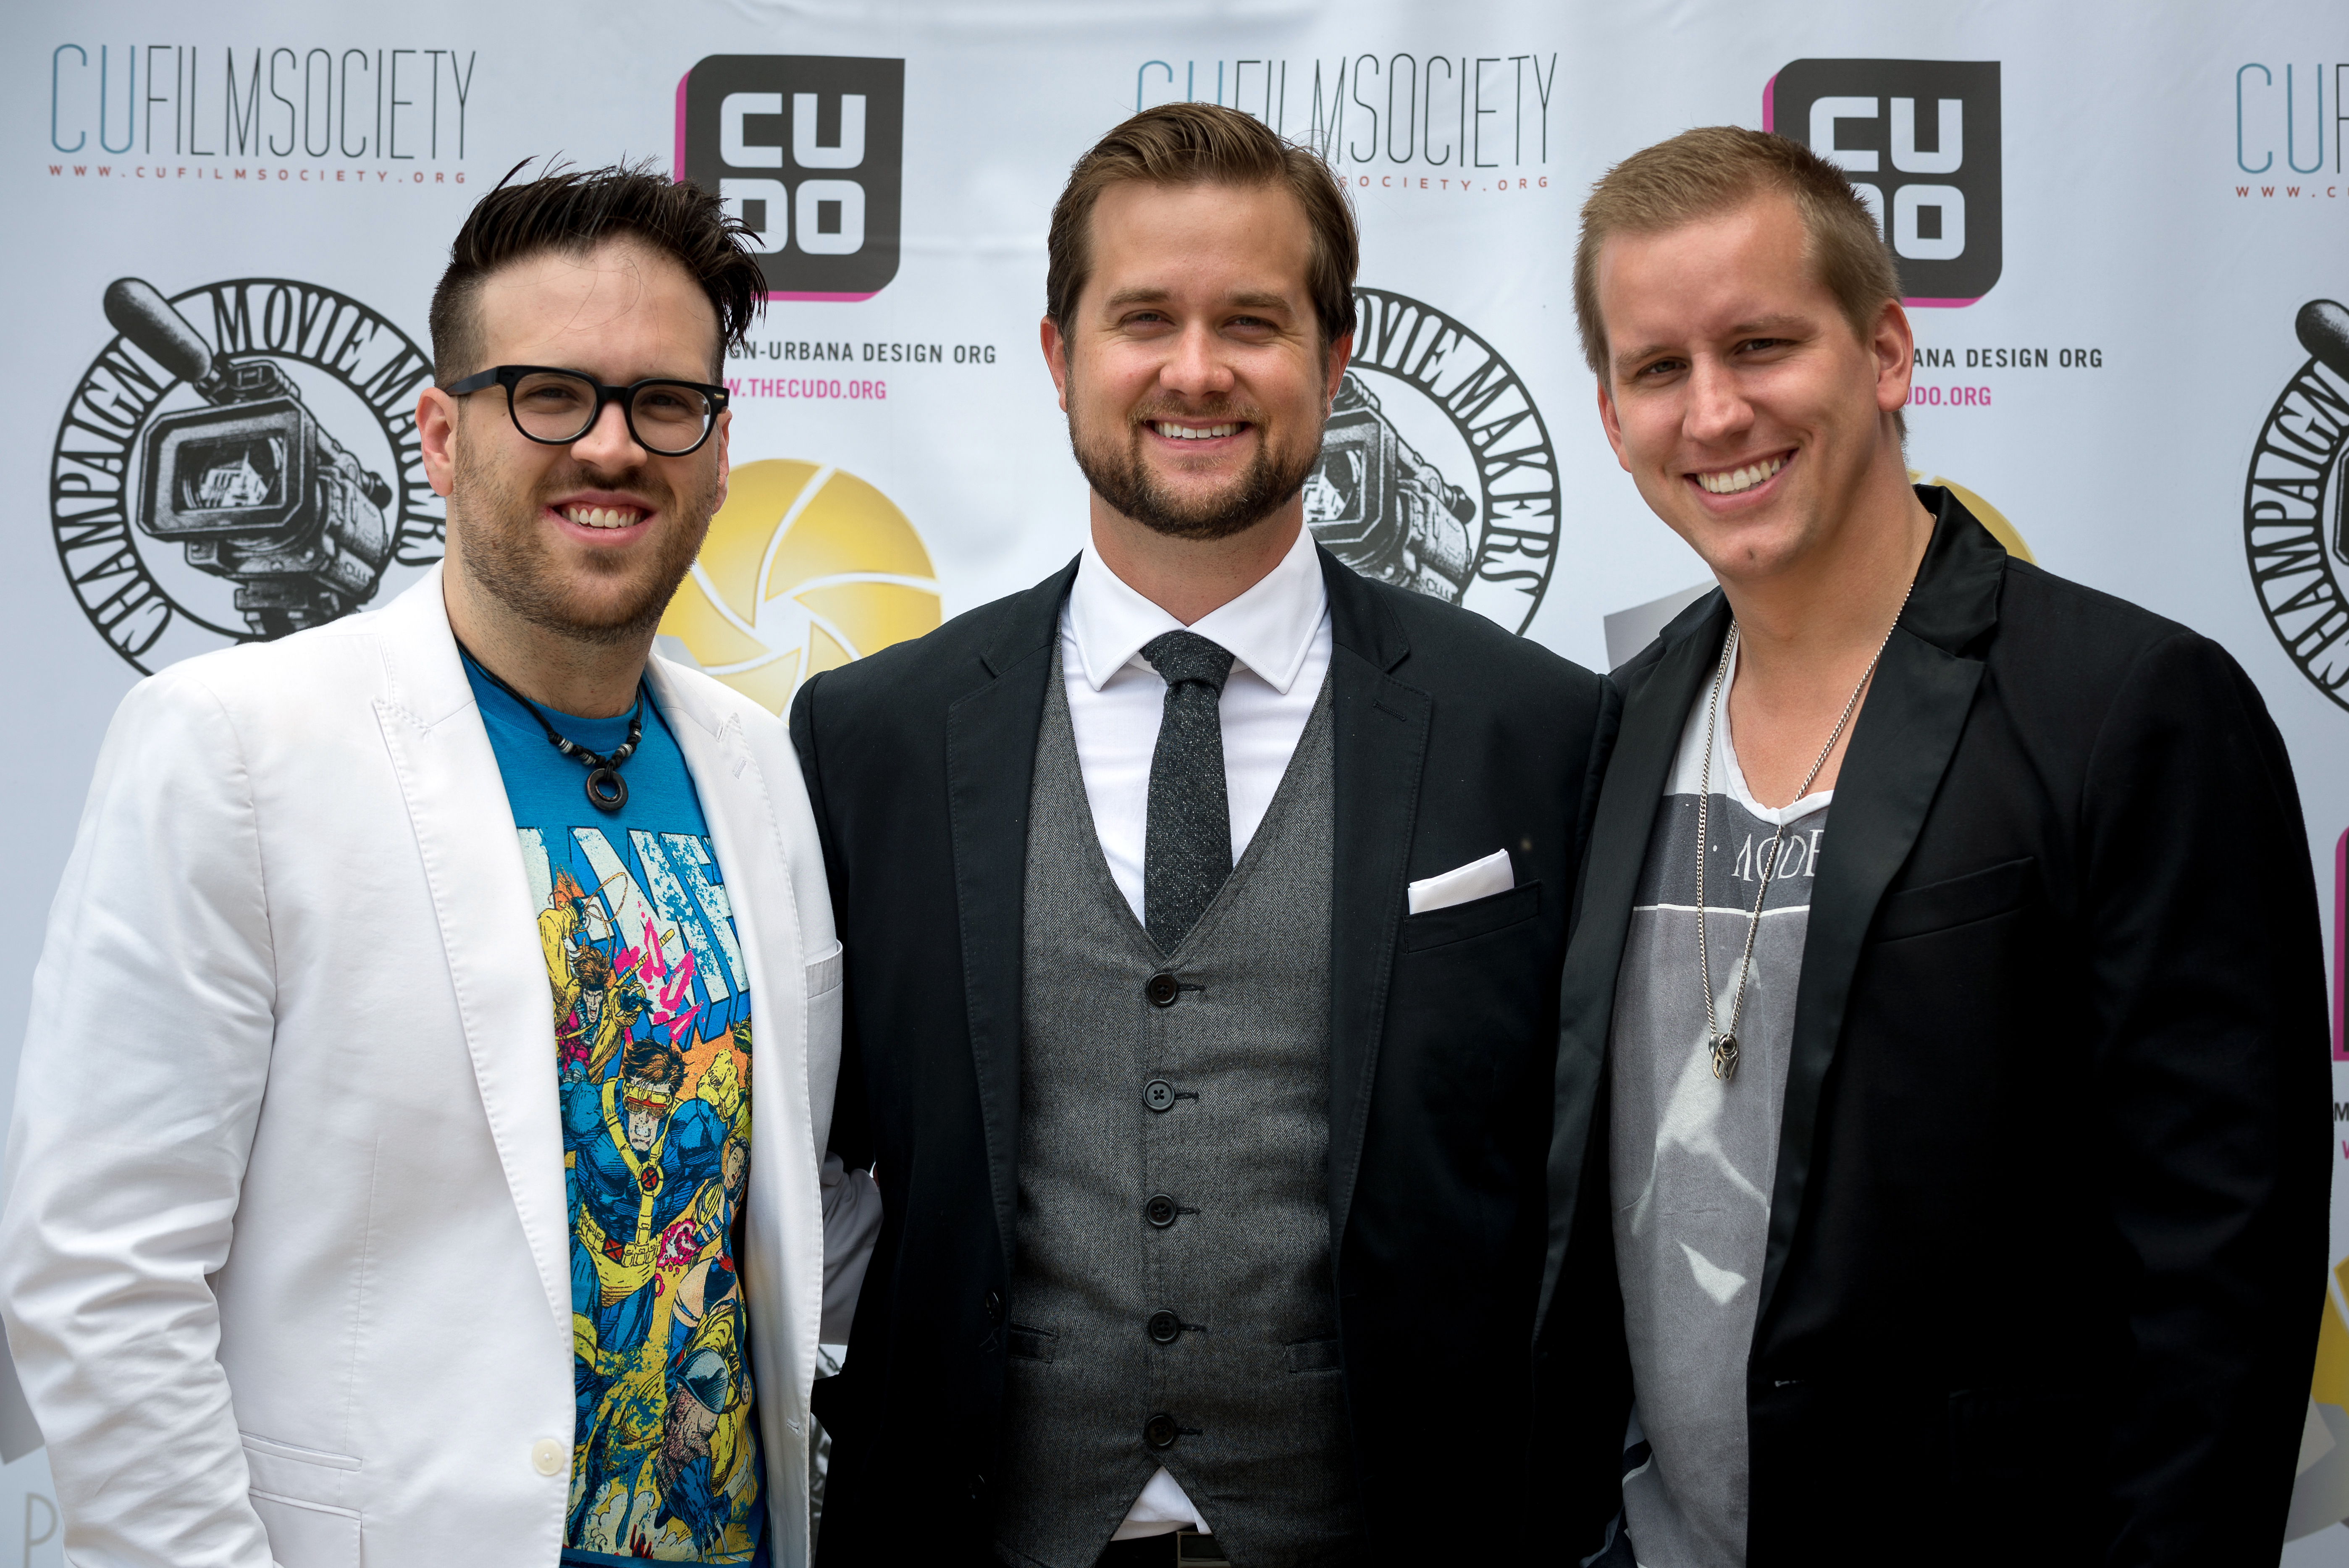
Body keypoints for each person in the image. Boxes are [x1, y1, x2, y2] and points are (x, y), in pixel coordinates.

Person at [0, 164, 876, 1568]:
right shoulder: (234, 747)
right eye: (547, 392)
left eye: (664, 401)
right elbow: (104, 1281)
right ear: (438, 434)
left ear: (718, 452)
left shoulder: (757, 765)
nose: (609, 445)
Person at [791, 102, 1625, 1564]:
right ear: (1059, 359)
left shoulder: (1536, 729)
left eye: (1251, 319)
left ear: (1332, 355)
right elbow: (824, 1165)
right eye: (1142, 321)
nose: (1195, 371)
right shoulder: (870, 737)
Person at [1545, 125, 2329, 1566]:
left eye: (1760, 346)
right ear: (1609, 418)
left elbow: (2226, 1274)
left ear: (1889, 356)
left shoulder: (2128, 707)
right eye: (1658, 369)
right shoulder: (1612, 729)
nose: (1713, 414)